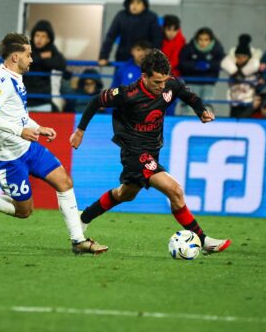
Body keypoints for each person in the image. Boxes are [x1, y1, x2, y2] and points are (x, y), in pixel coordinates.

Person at [0, 33, 108, 255]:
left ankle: (78, 240)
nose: (32, 59)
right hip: (9, 157)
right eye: (28, 55)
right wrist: (21, 131)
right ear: (15, 57)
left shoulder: (16, 77)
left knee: (64, 182)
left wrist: (37, 127)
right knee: (24, 211)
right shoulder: (2, 80)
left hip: (28, 147)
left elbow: (17, 114)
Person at [69, 49, 231, 254]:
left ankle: (83, 218)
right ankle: (203, 239)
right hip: (134, 152)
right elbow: (96, 101)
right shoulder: (128, 94)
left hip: (152, 151)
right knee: (175, 190)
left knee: (125, 194)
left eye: (164, 81)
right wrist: (80, 131)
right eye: (157, 82)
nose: (162, 86)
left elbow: (189, 96)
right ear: (144, 76)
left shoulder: (169, 84)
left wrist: (201, 111)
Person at [98, 0, 161, 65]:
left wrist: (153, 59)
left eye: (138, 2)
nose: (134, 5)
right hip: (123, 59)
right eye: (132, 2)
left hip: (144, 61)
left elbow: (157, 40)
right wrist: (103, 56)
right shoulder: (121, 16)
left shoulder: (151, 18)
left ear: (144, 5)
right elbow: (110, 37)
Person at [178, 27, 224, 115]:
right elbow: (182, 63)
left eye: (206, 39)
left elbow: (221, 63)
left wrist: (209, 65)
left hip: (208, 84)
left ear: (211, 40)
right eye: (200, 39)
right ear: (196, 39)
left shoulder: (217, 49)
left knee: (207, 109)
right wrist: (195, 66)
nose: (203, 42)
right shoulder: (189, 48)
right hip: (191, 83)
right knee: (189, 109)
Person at [23, 19, 66, 112]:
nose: (39, 39)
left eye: (43, 36)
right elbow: (24, 61)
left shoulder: (51, 49)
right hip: (24, 99)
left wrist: (42, 61)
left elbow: (61, 64)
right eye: (37, 35)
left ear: (48, 39)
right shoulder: (27, 47)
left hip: (43, 101)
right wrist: (42, 57)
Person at [221, 34, 261, 118]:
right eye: (238, 57)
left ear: (248, 57)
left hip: (247, 103)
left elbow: (256, 84)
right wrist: (236, 74)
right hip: (234, 103)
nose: (241, 59)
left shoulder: (254, 72)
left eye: (244, 57)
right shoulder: (232, 70)